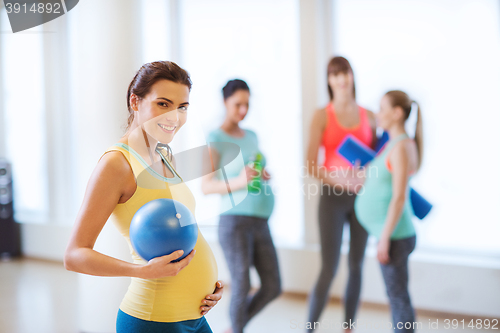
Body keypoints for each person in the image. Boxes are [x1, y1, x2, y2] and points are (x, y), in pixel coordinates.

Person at [64, 61, 223, 333]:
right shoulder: (116, 164)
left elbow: (181, 229)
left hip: (194, 315)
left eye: (182, 107)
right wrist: (141, 271)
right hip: (154, 319)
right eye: (163, 104)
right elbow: (74, 255)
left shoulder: (165, 155)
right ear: (135, 102)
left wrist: (209, 285)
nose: (175, 116)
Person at [201, 79, 281, 333]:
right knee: (242, 284)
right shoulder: (215, 137)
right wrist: (239, 180)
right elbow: (206, 186)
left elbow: (251, 168)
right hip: (234, 221)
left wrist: (261, 174)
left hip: (260, 219)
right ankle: (236, 329)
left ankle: (234, 328)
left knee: (272, 285)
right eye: (237, 104)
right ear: (225, 102)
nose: (243, 110)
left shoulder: (252, 135)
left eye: (247, 104)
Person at [305, 56, 377, 332]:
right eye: (334, 74)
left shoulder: (369, 115)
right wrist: (338, 178)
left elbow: (377, 159)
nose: (341, 79)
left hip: (363, 199)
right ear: (329, 80)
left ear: (352, 75)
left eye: (344, 72)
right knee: (329, 268)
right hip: (332, 198)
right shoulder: (322, 115)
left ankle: (348, 327)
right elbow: (311, 164)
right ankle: (309, 328)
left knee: (357, 264)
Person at [354, 90, 422, 332]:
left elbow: (399, 197)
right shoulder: (394, 143)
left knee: (398, 298)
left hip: (395, 236)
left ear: (397, 113)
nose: (378, 114)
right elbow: (381, 182)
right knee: (397, 296)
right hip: (392, 234)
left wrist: (384, 238)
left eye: (383, 108)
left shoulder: (402, 147)